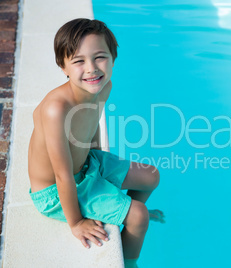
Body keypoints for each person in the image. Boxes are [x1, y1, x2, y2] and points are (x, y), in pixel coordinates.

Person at [27, 18, 164, 268]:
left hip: (86, 165)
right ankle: (130, 252)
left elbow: (91, 124)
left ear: (113, 58)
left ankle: (123, 219)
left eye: (100, 57)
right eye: (79, 61)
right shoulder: (56, 109)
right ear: (63, 66)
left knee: (151, 175)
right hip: (55, 191)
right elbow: (62, 175)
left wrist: (100, 161)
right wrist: (77, 222)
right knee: (140, 215)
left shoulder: (103, 87)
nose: (91, 68)